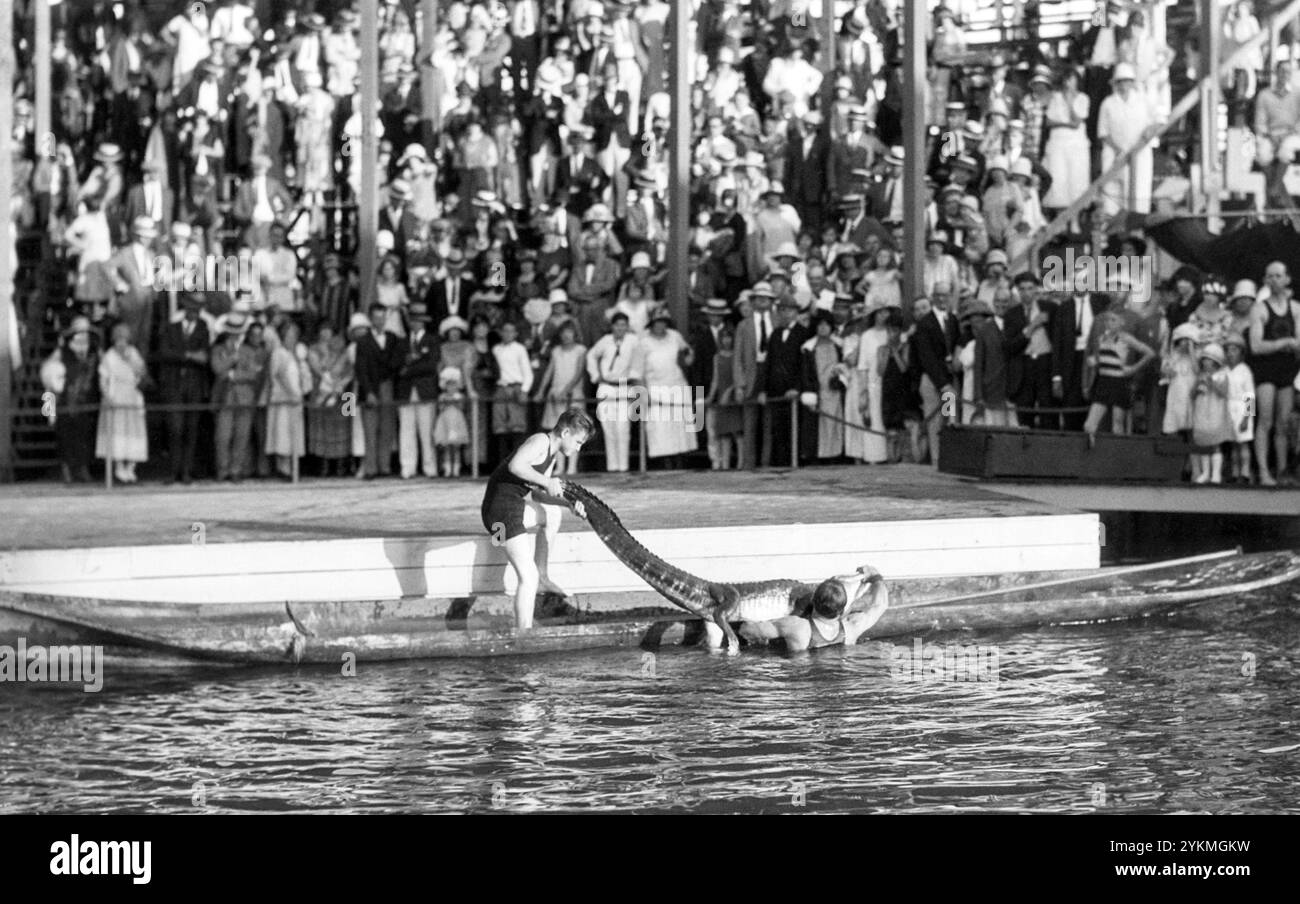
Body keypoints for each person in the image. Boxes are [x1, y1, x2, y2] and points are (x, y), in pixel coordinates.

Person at [480, 409, 594, 630]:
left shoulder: (551, 453)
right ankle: (523, 633)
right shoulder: (540, 441)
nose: (579, 448)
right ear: (566, 432)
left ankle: (544, 576)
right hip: (498, 518)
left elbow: (535, 492)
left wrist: (568, 504)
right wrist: (546, 480)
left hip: (514, 507)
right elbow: (515, 466)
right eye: (578, 442)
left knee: (552, 514)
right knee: (527, 576)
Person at [740, 566, 890, 653]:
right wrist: (875, 577)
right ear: (843, 608)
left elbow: (747, 631)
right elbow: (880, 605)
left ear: (813, 600)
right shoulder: (853, 627)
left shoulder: (796, 626)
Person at [1249, 261, 1300, 485]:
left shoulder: (1295, 308)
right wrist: (1285, 342)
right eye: (1270, 276)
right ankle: (1263, 471)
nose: (1274, 280)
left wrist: (1285, 343)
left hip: (1287, 370)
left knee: (1283, 422)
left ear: (1287, 279)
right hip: (1265, 370)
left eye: (1278, 276)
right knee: (1264, 420)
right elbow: (1256, 346)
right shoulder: (1259, 309)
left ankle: (1281, 470)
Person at [1084, 306, 1157, 436]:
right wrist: (1095, 362)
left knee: (1117, 425)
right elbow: (1103, 359)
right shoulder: (1102, 338)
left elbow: (1150, 353)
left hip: (1118, 383)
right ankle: (1092, 450)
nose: (1109, 323)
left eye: (1113, 320)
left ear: (1121, 322)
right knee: (1089, 425)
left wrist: (1134, 368)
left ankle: (1118, 453)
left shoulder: (1126, 338)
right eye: (1107, 320)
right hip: (1103, 382)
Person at [96, 323, 149, 484]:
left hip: (131, 396)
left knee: (134, 432)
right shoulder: (109, 356)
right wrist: (107, 396)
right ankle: (118, 467)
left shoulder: (133, 353)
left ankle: (131, 468)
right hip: (115, 396)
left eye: (124, 340)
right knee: (116, 432)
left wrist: (130, 360)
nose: (121, 343)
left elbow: (141, 372)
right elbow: (103, 379)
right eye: (118, 340)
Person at [1190, 343, 1234, 485]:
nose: (1205, 362)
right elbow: (1191, 394)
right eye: (1204, 359)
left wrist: (1248, 416)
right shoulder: (1200, 376)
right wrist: (1198, 385)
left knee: (1218, 443)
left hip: (1225, 414)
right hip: (1203, 413)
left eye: (1208, 359)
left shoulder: (1226, 375)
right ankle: (1206, 473)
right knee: (1204, 443)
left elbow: (1247, 395)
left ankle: (1221, 473)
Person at [1224, 333, 1256, 484]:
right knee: (1233, 443)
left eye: (1234, 350)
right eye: (1228, 350)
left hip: (1241, 409)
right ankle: (1235, 472)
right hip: (1228, 409)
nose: (1231, 353)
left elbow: (1250, 395)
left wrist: (1246, 417)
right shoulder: (1224, 370)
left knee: (1242, 443)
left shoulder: (1245, 371)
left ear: (1241, 352)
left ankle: (1245, 472)